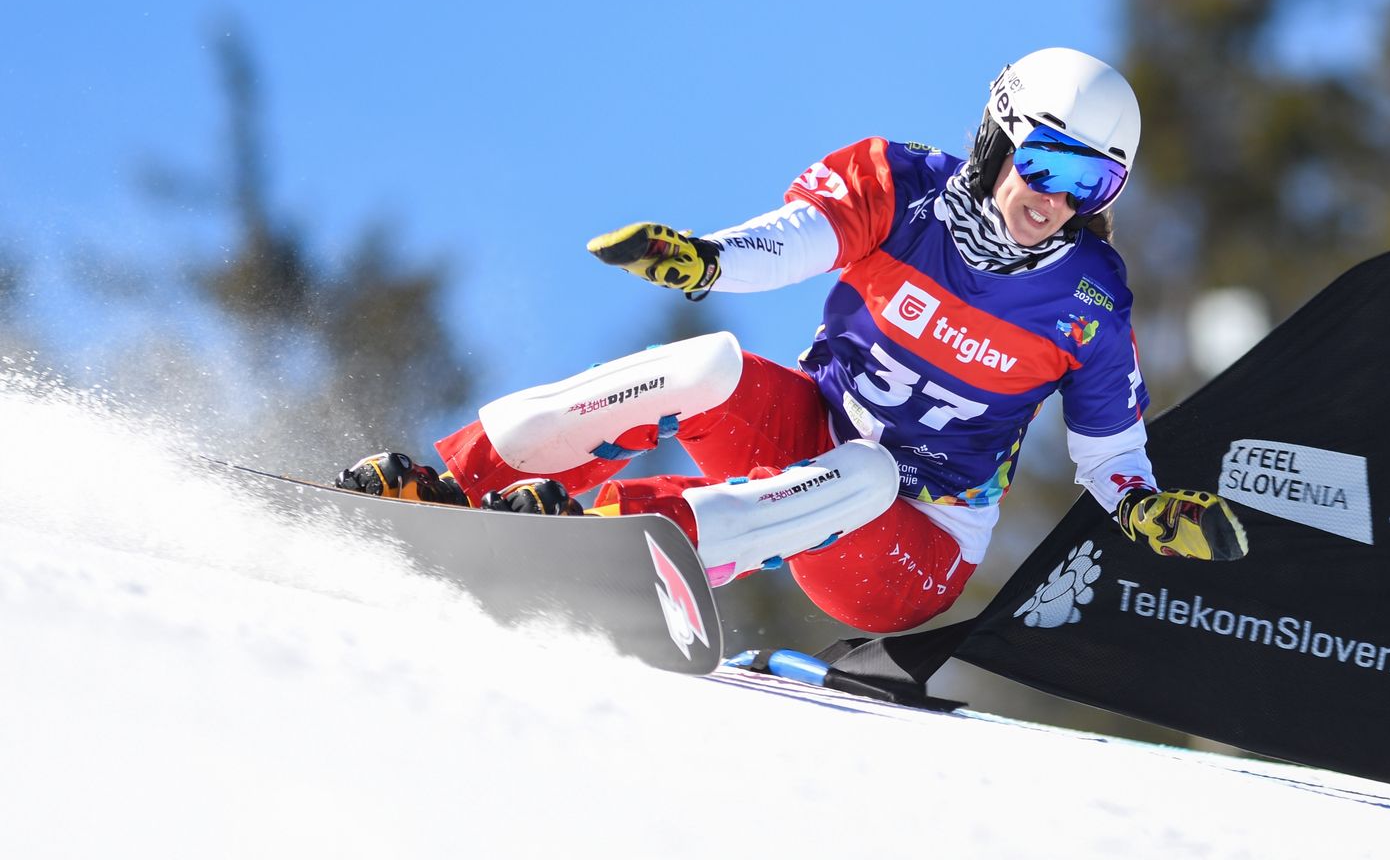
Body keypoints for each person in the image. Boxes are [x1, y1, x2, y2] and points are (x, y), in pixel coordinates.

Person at [337, 48, 1247, 633]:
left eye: (1092, 184)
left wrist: (1142, 507)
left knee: (874, 473)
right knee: (710, 365)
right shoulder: (902, 186)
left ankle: (631, 541)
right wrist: (706, 261)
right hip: (812, 436)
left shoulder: (1086, 297)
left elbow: (1109, 447)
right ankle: (461, 482)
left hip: (912, 548)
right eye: (1046, 163)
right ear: (996, 137)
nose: (1055, 200)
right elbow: (797, 240)